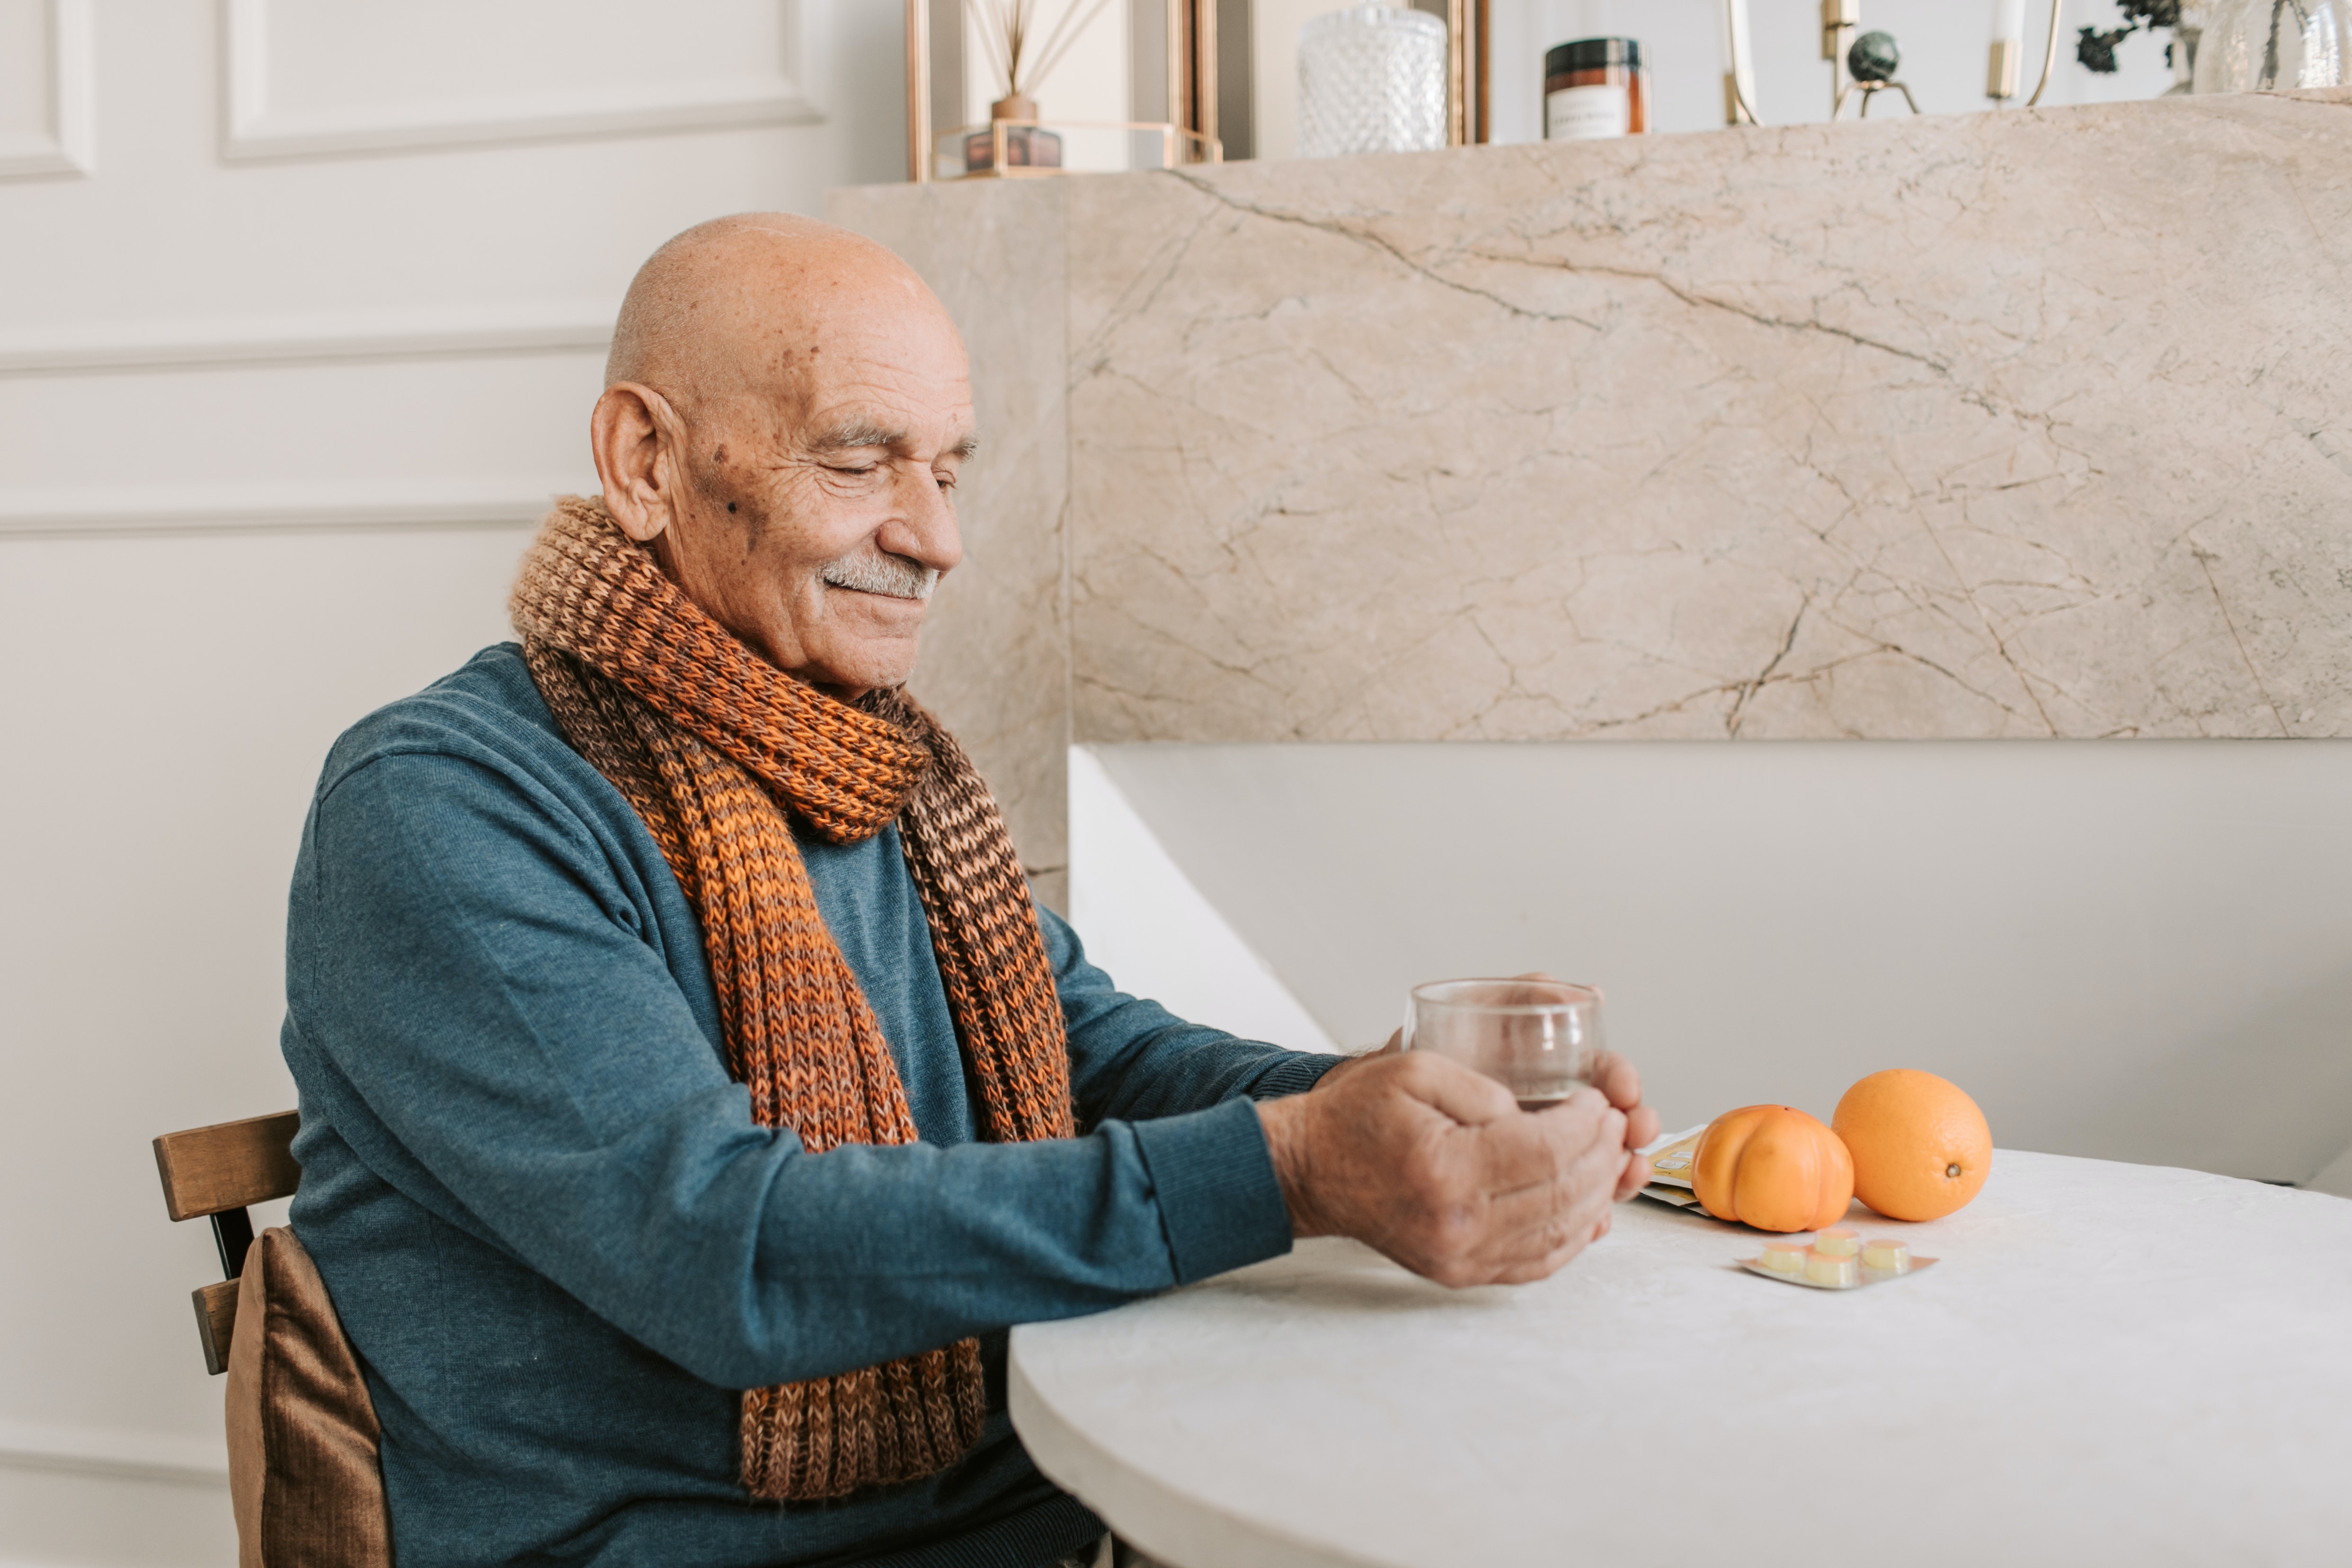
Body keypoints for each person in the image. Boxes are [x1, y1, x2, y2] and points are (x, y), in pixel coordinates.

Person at [280, 213, 1660, 1568]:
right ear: (646, 461)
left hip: (1035, 1506)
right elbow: (730, 1247)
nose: (936, 538)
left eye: (947, 468)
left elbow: (1097, 1052)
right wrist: (1299, 1168)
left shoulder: (872, 764)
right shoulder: (439, 802)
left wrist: (1381, 1095)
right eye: (860, 459)